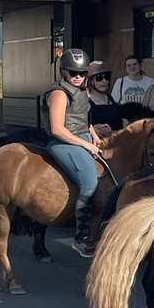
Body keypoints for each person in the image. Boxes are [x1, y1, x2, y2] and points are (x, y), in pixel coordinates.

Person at [45, 49, 101, 258]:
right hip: (62, 142)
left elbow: (84, 119)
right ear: (63, 72)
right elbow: (57, 129)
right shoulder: (59, 93)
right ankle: (81, 238)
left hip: (83, 138)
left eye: (82, 73)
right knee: (89, 182)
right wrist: (86, 145)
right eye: (73, 73)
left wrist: (93, 135)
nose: (78, 77)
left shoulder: (83, 90)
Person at [86, 60, 123, 138]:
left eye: (107, 77)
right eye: (99, 78)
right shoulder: (85, 100)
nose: (104, 81)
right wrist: (92, 129)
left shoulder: (109, 98)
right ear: (90, 81)